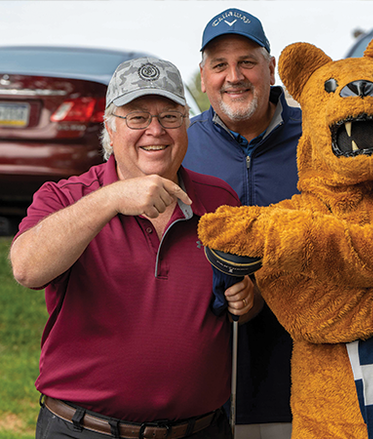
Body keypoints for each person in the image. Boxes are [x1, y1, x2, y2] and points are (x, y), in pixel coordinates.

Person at [9, 57, 257, 438]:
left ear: (187, 123)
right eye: (137, 117)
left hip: (202, 430)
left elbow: (238, 290)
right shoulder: (66, 197)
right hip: (84, 430)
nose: (155, 131)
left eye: (170, 116)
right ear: (109, 125)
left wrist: (249, 297)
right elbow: (27, 268)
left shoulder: (220, 199)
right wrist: (110, 200)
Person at [182, 8, 301, 439]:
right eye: (219, 65)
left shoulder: (317, 141)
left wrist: (266, 288)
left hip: (307, 378)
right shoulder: (180, 146)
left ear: (271, 67)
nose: (234, 76)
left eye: (247, 61)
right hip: (205, 393)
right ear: (203, 76)